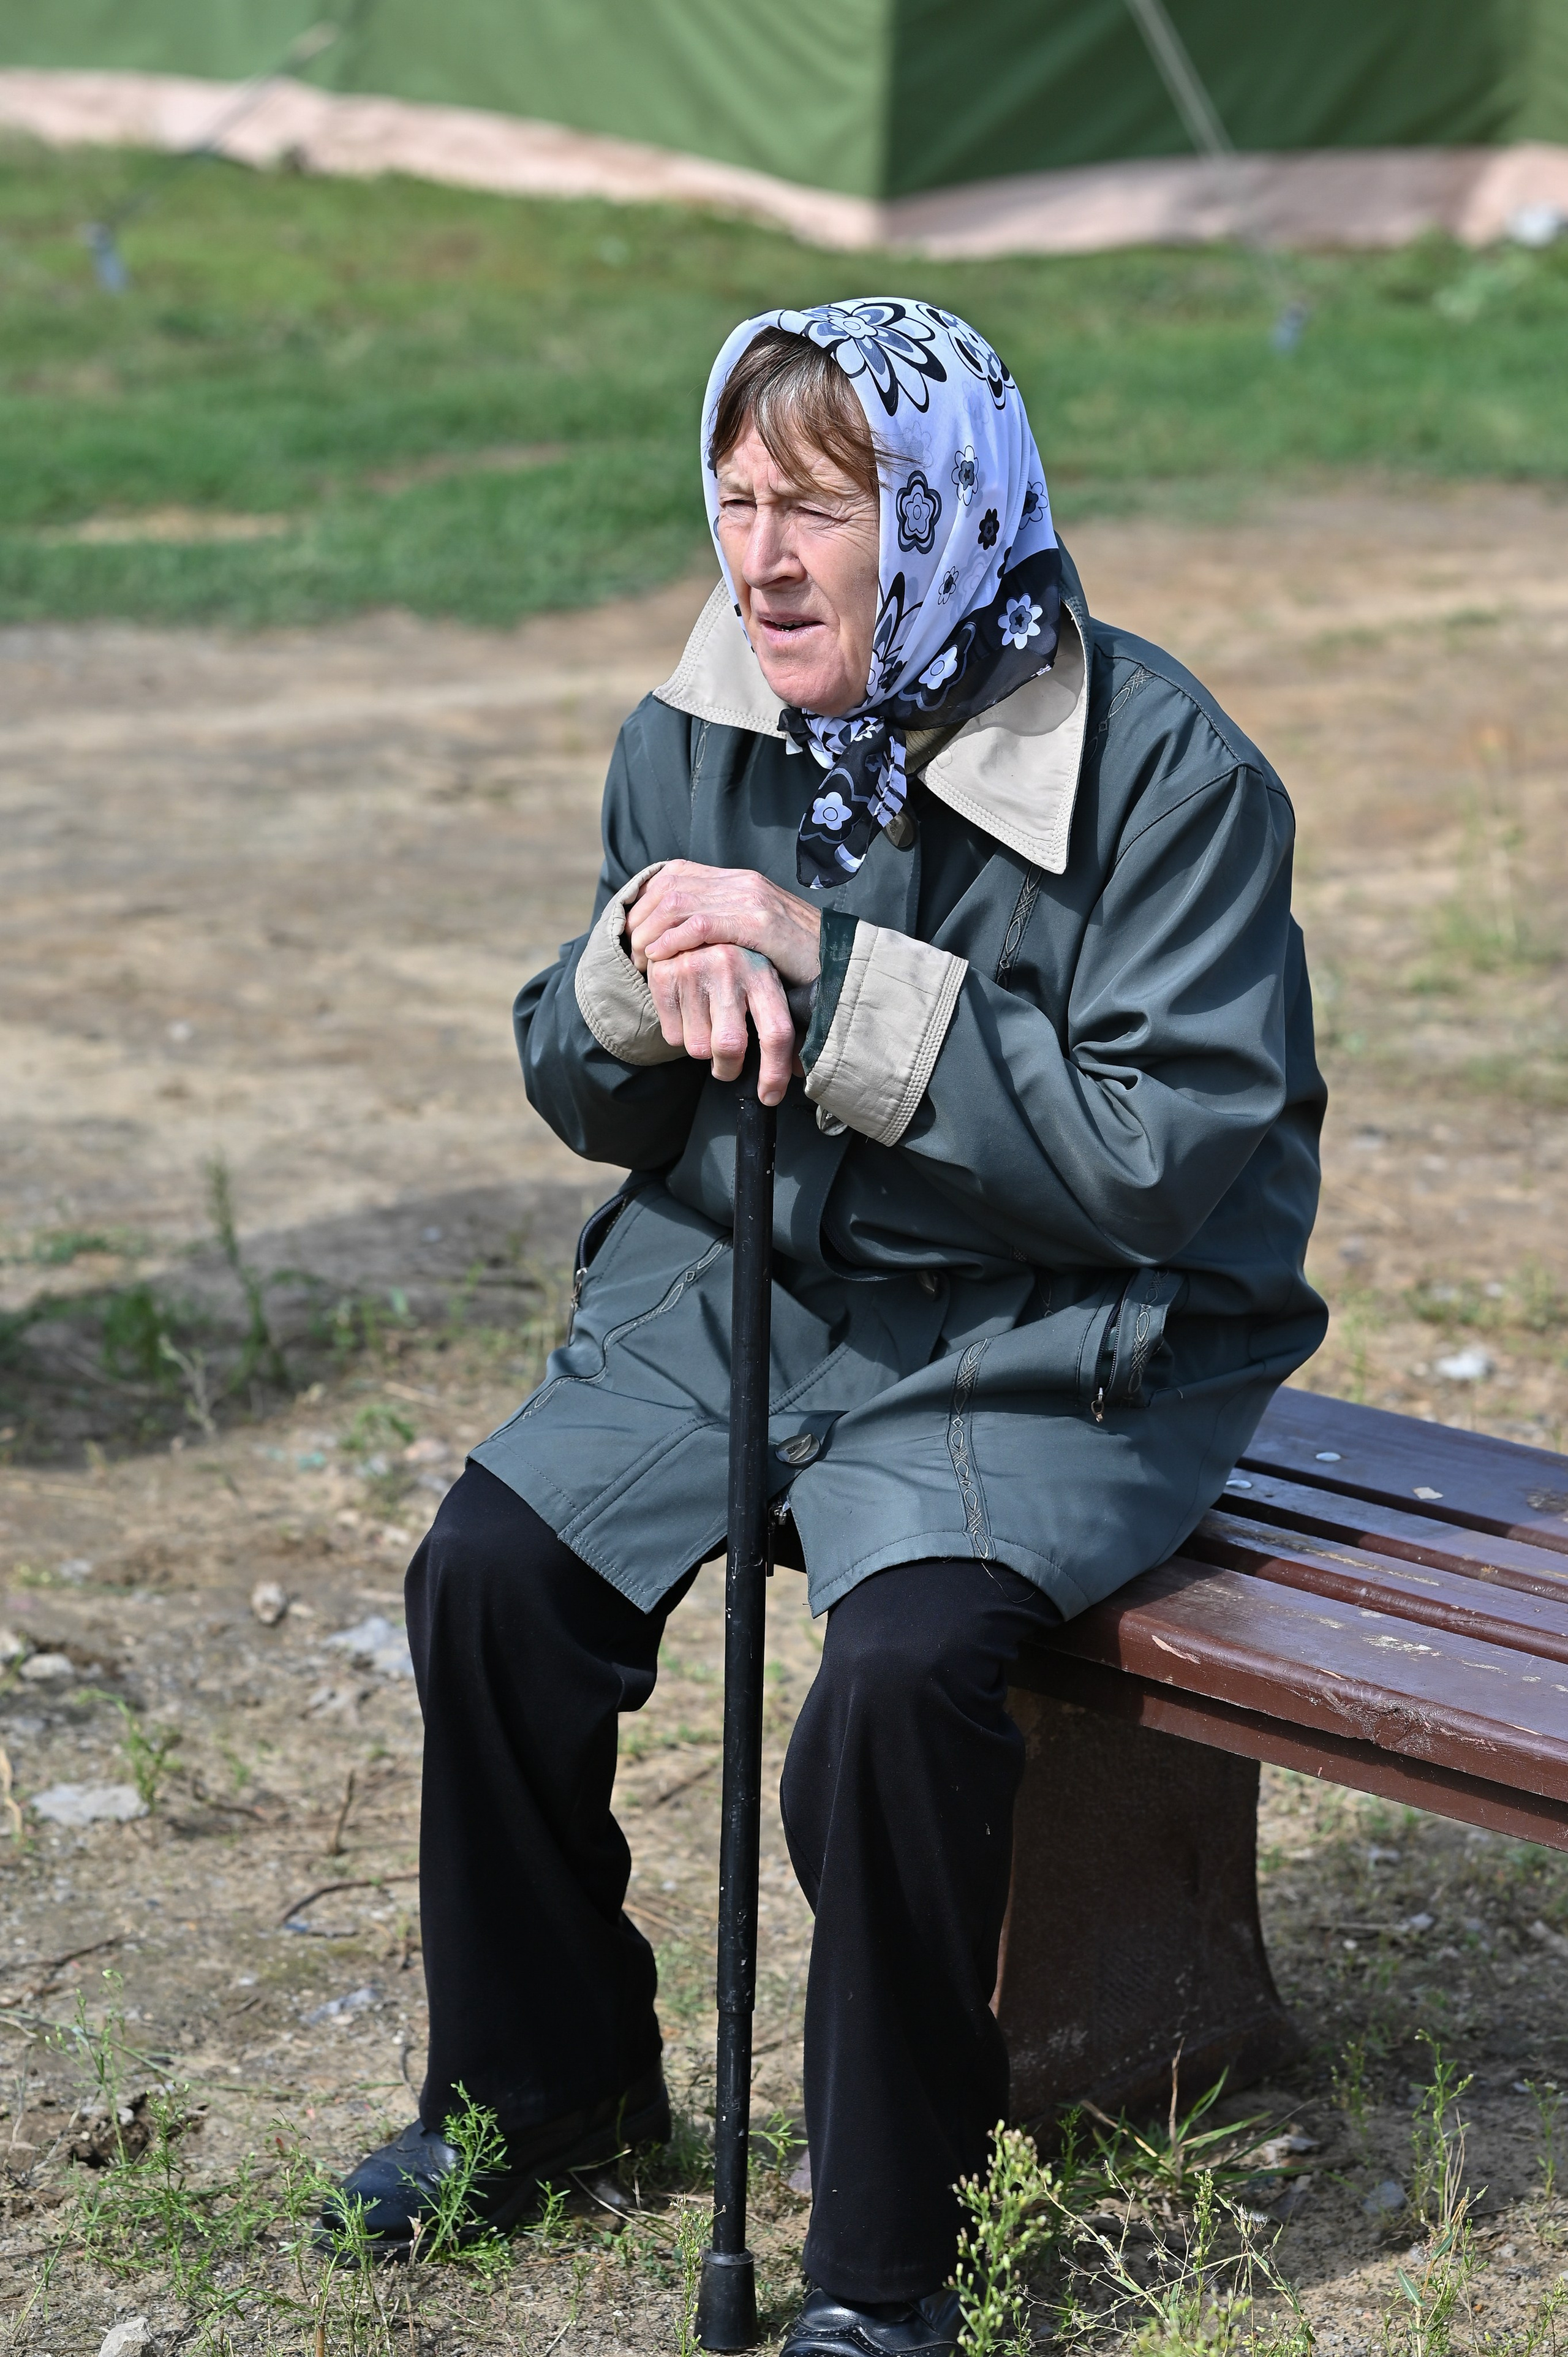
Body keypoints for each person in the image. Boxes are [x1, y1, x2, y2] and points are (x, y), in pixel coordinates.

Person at [324, 298, 1326, 2356]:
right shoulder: (692, 730)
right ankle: (544, 2093)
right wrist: (626, 971)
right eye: (736, 499)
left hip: (1060, 1331)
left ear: (946, 509)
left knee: (892, 1687)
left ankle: (892, 2260)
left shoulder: (1167, 769)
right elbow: (588, 1084)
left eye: (822, 510)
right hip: (750, 1281)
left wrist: (827, 966)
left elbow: (1158, 1155)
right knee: (492, 1578)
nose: (760, 559)